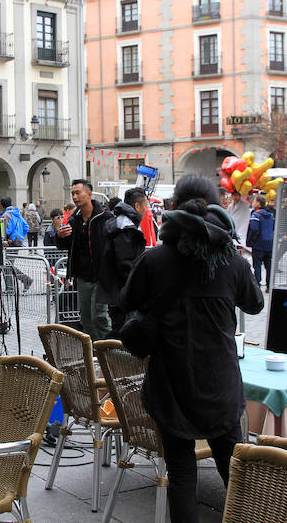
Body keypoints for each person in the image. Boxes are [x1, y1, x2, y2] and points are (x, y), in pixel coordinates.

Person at [121, 175, 264, 523]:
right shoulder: (232, 262)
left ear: (174, 210)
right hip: (220, 385)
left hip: (171, 384)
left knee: (182, 473)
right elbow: (255, 304)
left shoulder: (154, 260)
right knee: (234, 472)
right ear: (215, 207)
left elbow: (126, 301)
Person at [56, 179, 111, 339]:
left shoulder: (105, 217)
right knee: (86, 318)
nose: (74, 196)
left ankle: (109, 351)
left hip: (102, 276)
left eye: (78, 192)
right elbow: (65, 245)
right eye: (72, 193)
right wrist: (60, 236)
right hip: (83, 277)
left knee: (99, 316)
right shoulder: (74, 220)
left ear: (89, 194)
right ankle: (93, 353)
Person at [98, 187, 148, 335]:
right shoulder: (125, 227)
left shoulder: (121, 223)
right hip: (123, 293)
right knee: (124, 333)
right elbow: (125, 263)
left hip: (117, 292)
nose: (146, 210)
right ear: (137, 206)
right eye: (145, 205)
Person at [247, 194, 274, 291]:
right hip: (269, 244)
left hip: (258, 245)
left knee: (257, 266)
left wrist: (250, 241)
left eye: (254, 201)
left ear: (258, 203)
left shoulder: (255, 215)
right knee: (269, 266)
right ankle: (269, 285)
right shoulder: (270, 215)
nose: (253, 203)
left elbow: (253, 229)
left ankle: (257, 286)